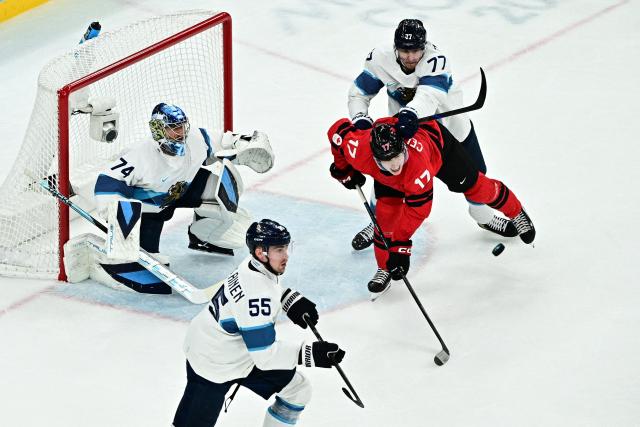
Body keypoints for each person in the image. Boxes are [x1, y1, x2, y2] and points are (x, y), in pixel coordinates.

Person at [65, 102, 275, 294]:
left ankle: (203, 236)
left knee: (224, 180)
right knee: (152, 273)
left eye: (182, 126)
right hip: (152, 209)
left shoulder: (196, 140)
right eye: (173, 128)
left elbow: (223, 141)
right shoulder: (140, 155)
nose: (180, 132)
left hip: (184, 190)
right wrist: (115, 211)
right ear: (159, 130)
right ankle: (108, 263)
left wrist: (244, 144)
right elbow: (107, 181)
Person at [347, 18, 517, 251]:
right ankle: (378, 224)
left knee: (476, 175)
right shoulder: (380, 59)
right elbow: (359, 93)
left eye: (415, 51)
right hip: (407, 135)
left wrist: (411, 113)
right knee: (388, 180)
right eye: (404, 51)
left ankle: (483, 215)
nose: (410, 57)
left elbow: (428, 96)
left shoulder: (436, 60)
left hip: (449, 129)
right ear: (396, 47)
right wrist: (360, 119)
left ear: (424, 47)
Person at [327, 116, 535, 297]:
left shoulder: (417, 168)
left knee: (478, 188)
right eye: (387, 160)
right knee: (385, 216)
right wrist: (343, 169)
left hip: (439, 149)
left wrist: (401, 246)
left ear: (404, 146)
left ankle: (517, 212)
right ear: (374, 156)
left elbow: (418, 211)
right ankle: (383, 268)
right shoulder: (359, 149)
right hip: (390, 176)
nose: (395, 164)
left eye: (398, 155)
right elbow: (337, 131)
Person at [173, 219, 346, 426]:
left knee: (298, 390)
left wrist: (288, 299)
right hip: (214, 361)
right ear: (260, 253)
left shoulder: (251, 265)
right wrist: (310, 353)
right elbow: (265, 356)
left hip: (228, 349)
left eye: (286, 248)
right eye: (279, 250)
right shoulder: (257, 298)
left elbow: (262, 288)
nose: (286, 256)